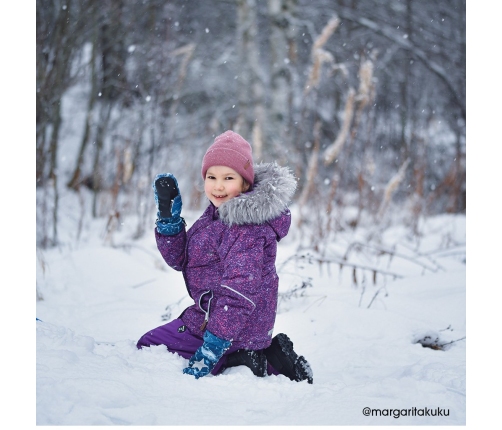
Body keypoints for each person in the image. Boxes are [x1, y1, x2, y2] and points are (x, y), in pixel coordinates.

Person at [136, 130, 313, 384]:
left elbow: (238, 294)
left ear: (245, 183)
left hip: (234, 326)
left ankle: (253, 360)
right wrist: (169, 222)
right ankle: (257, 355)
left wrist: (212, 347)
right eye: (211, 177)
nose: (218, 186)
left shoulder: (246, 228)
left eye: (228, 178)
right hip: (217, 317)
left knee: (149, 346)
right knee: (152, 344)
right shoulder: (217, 215)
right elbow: (181, 260)